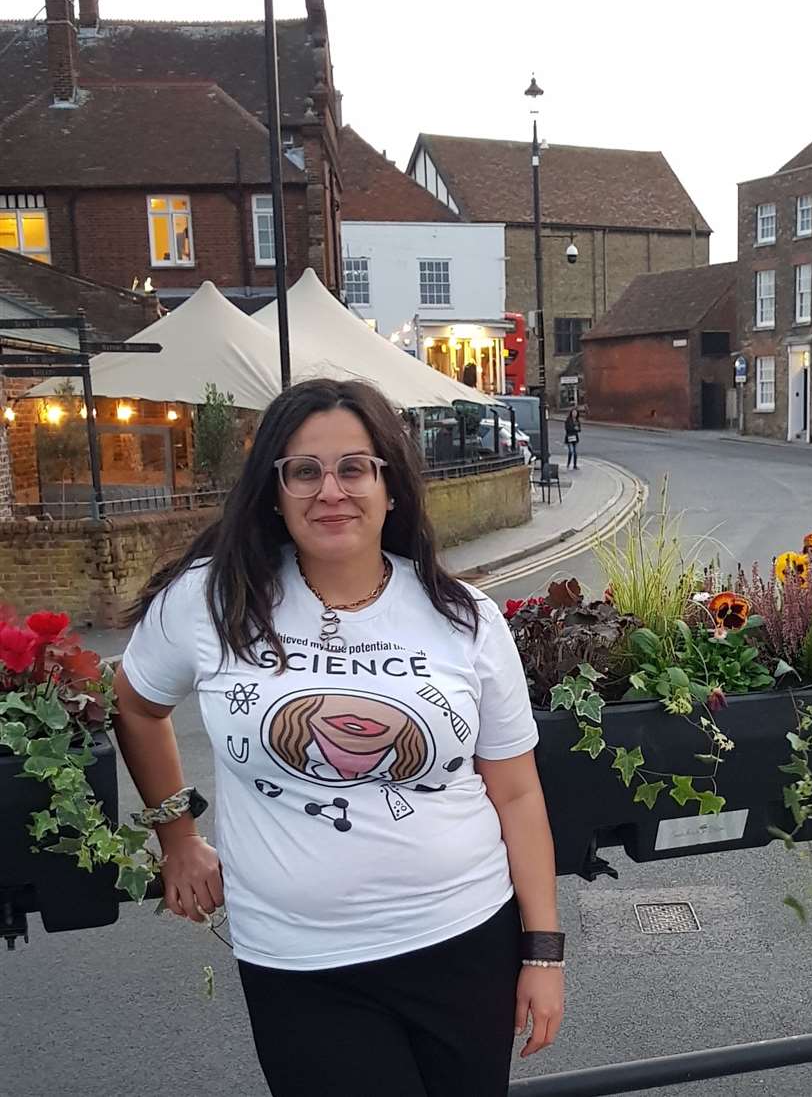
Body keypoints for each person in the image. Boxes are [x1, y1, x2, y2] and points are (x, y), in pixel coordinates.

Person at [113, 379, 564, 1097]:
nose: (331, 489)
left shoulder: (463, 616)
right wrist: (177, 834)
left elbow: (515, 791)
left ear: (390, 486)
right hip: (300, 965)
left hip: (465, 941)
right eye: (304, 470)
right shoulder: (211, 599)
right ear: (275, 490)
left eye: (354, 467)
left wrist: (543, 952)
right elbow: (136, 706)